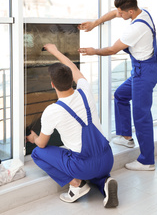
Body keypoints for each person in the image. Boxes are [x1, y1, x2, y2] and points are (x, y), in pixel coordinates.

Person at [26, 43, 118, 208]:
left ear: (52, 85)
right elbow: (72, 68)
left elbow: (41, 144)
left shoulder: (52, 110)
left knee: (37, 153)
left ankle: (77, 185)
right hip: (107, 159)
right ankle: (105, 181)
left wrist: (33, 138)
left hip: (83, 166)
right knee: (93, 166)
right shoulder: (85, 90)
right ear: (71, 80)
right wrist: (55, 51)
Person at [78, 0, 157, 171]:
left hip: (143, 73)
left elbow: (112, 49)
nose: (119, 15)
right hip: (144, 69)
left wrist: (93, 51)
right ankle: (126, 137)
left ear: (130, 11)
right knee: (121, 95)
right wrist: (95, 23)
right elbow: (113, 13)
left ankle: (147, 161)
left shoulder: (135, 29)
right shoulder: (142, 12)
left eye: (122, 13)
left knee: (141, 116)